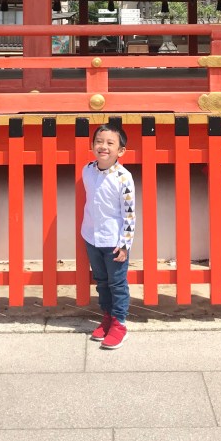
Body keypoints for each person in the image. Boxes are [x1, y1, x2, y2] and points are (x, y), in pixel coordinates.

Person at [81, 121, 136, 349]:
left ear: (120, 150)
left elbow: (129, 214)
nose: (103, 147)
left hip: (114, 241)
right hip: (91, 236)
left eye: (110, 143)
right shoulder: (87, 170)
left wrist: (124, 245)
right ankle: (106, 316)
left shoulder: (123, 178)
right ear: (93, 145)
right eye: (99, 142)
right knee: (101, 282)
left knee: (117, 283)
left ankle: (119, 323)